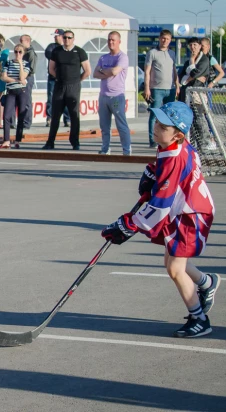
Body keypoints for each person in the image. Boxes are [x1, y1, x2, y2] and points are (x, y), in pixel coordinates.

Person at [101, 101, 218, 338]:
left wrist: (128, 225)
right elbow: (171, 176)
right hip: (185, 209)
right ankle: (206, 282)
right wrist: (155, 173)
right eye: (157, 121)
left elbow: (161, 204)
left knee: (175, 269)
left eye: (164, 126)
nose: (156, 127)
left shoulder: (174, 155)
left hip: (191, 214)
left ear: (179, 134)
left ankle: (200, 319)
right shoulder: (171, 145)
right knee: (171, 260)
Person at [43, 30, 91, 150]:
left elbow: (87, 71)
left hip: (73, 87)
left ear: (73, 39)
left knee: (74, 115)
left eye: (69, 38)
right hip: (59, 86)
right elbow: (51, 69)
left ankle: (75, 142)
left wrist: (77, 80)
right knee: (55, 115)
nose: (67, 40)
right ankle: (50, 142)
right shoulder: (56, 51)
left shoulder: (79, 52)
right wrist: (59, 78)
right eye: (65, 38)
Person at [93, 31, 131, 156]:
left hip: (116, 96)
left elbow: (115, 71)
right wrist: (106, 72)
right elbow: (95, 74)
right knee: (104, 126)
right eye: (109, 40)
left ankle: (126, 150)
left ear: (119, 42)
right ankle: (105, 148)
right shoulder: (103, 57)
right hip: (103, 95)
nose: (111, 42)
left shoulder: (122, 57)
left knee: (121, 125)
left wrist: (103, 71)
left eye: (113, 40)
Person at [144, 29, 179, 148]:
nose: (165, 41)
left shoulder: (172, 53)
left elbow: (174, 70)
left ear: (170, 40)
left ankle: (167, 139)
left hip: (170, 89)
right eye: (163, 38)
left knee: (169, 115)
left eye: (168, 39)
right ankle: (152, 140)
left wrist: (177, 84)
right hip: (156, 89)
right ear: (159, 38)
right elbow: (147, 71)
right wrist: (147, 88)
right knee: (154, 115)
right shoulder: (152, 53)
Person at [0, 43, 29, 149]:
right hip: (11, 90)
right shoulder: (8, 63)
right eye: (16, 51)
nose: (17, 54)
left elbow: (23, 76)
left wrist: (20, 64)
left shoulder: (26, 64)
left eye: (20, 52)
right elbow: (3, 77)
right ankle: (6, 140)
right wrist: (16, 80)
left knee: (21, 115)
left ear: (23, 53)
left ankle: (17, 140)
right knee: (6, 115)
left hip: (21, 91)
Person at [45, 29, 69, 127]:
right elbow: (49, 54)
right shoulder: (51, 47)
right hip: (53, 77)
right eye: (55, 36)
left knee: (66, 98)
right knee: (51, 98)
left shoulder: (67, 47)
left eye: (57, 36)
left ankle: (67, 119)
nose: (55, 37)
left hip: (64, 78)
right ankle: (49, 118)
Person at [178, 37, 210, 104]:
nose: (192, 47)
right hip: (185, 92)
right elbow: (181, 77)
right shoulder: (187, 62)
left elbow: (194, 74)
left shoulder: (204, 60)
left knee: (197, 113)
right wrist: (188, 78)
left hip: (197, 93)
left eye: (195, 44)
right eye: (190, 45)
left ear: (200, 46)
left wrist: (192, 61)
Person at [20, 34, 37, 129]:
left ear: (27, 41)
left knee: (27, 100)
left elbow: (32, 69)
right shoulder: (23, 52)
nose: (20, 43)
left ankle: (27, 122)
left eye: (21, 41)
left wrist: (24, 76)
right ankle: (22, 121)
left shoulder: (31, 53)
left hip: (27, 78)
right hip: (22, 77)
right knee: (22, 100)